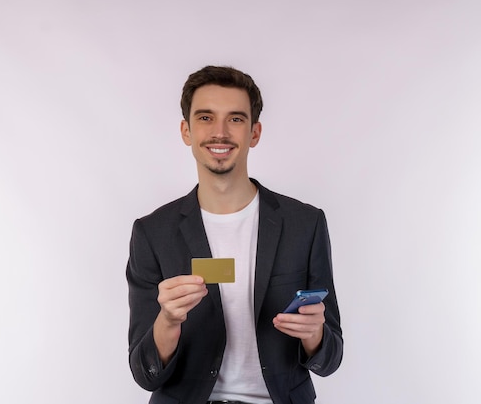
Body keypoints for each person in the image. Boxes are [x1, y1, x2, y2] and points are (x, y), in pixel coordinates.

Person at [126, 66, 343, 404]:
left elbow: (331, 359)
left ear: (254, 133)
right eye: (206, 118)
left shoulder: (305, 224)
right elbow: (144, 373)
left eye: (236, 119)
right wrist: (167, 320)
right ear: (186, 130)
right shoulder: (153, 232)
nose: (221, 133)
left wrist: (315, 335)